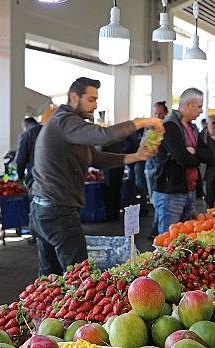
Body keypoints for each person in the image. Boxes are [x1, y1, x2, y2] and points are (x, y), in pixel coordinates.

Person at [30, 77, 163, 276]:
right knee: (79, 277)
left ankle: (45, 307)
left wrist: (136, 156)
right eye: (91, 100)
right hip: (58, 211)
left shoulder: (69, 126)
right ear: (74, 97)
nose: (95, 105)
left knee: (51, 278)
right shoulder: (64, 121)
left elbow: (96, 158)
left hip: (45, 208)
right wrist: (142, 121)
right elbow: (104, 135)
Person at [152, 88, 210, 235]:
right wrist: (195, 158)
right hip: (171, 192)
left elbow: (209, 154)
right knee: (167, 241)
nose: (201, 110)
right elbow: (182, 158)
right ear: (188, 104)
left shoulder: (193, 128)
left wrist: (194, 151)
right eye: (199, 106)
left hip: (189, 191)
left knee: (185, 239)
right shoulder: (169, 126)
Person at [146, 101, 168, 237]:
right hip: (151, 167)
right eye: (156, 113)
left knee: (160, 199)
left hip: (162, 170)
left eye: (160, 113)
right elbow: (147, 148)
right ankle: (156, 225)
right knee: (155, 199)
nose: (158, 116)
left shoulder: (168, 128)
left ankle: (156, 227)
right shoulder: (152, 128)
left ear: (165, 113)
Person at [15, 117, 43, 189]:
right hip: (51, 177)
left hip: (34, 177)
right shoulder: (46, 130)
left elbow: (21, 159)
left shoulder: (27, 134)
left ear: (25, 125)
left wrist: (20, 176)